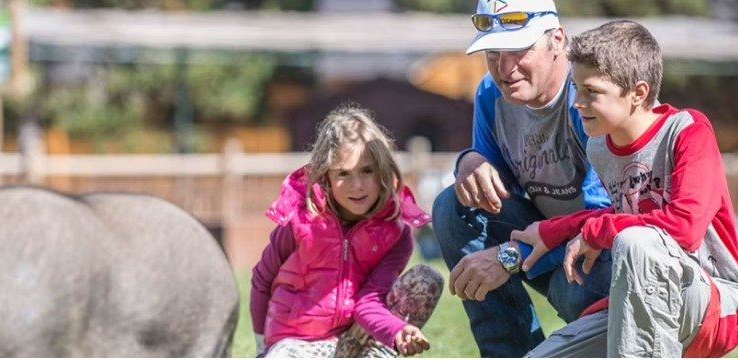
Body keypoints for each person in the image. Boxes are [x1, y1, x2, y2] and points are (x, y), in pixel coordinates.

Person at [516, 20, 738, 357]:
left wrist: (598, 231)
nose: (576, 102)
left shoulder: (687, 130)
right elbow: (626, 212)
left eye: (592, 91)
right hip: (641, 297)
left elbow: (684, 229)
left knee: (635, 241)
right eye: (575, 88)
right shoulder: (600, 147)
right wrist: (554, 230)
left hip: (714, 303)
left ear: (638, 93)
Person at [432, 0, 614, 356]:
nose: (505, 68)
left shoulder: (589, 99)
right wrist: (469, 162)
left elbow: (607, 217)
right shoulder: (490, 94)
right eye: (493, 53)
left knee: (574, 285)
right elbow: (492, 189)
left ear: (558, 40)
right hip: (548, 242)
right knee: (454, 208)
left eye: (518, 50)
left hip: (605, 251)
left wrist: (509, 257)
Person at [250, 103, 444, 358]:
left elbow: (368, 303)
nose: (357, 185)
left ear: (383, 170)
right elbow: (262, 280)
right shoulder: (298, 220)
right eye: (343, 173)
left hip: (355, 337)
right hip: (298, 342)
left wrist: (397, 330)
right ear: (325, 175)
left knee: (427, 278)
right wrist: (262, 346)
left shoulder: (395, 234)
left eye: (367, 171)